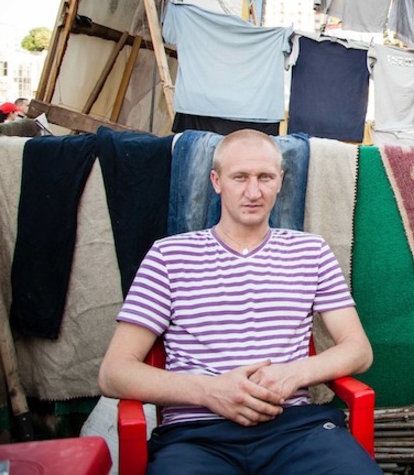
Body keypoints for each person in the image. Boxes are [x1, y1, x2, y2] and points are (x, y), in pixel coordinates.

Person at [98, 129, 381, 474]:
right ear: (216, 181)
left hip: (295, 430)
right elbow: (114, 372)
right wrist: (209, 392)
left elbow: (358, 349)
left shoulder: (311, 252)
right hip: (197, 438)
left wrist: (293, 374)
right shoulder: (169, 256)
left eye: (265, 177)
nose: (253, 192)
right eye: (239, 177)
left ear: (280, 180)